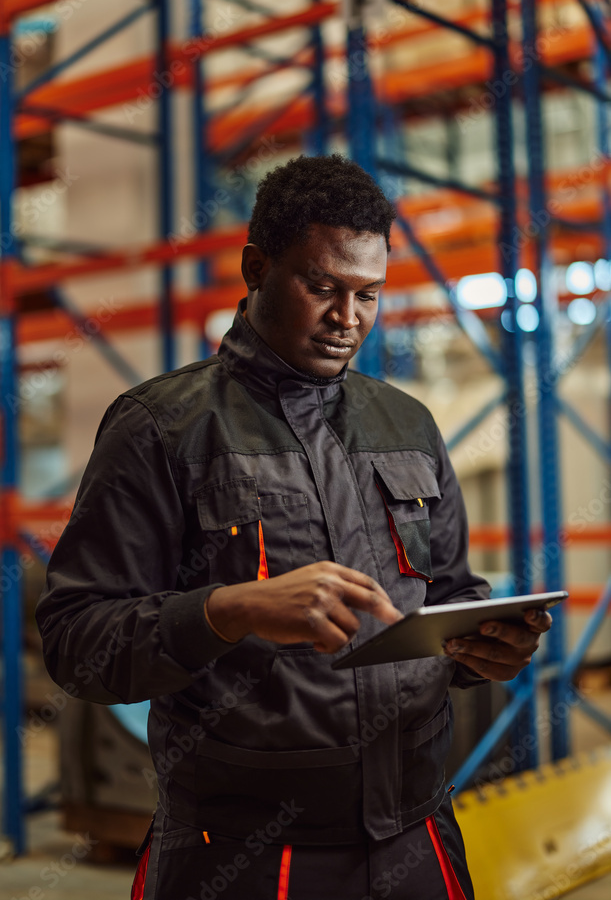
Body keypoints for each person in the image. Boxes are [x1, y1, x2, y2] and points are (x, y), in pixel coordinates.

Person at [36, 154, 550, 900]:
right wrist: (227, 608)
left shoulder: (404, 424)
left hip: (415, 836)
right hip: (243, 855)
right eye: (321, 288)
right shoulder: (162, 429)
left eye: (368, 294)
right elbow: (77, 645)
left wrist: (483, 648)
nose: (347, 319)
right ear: (256, 268)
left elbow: (446, 593)